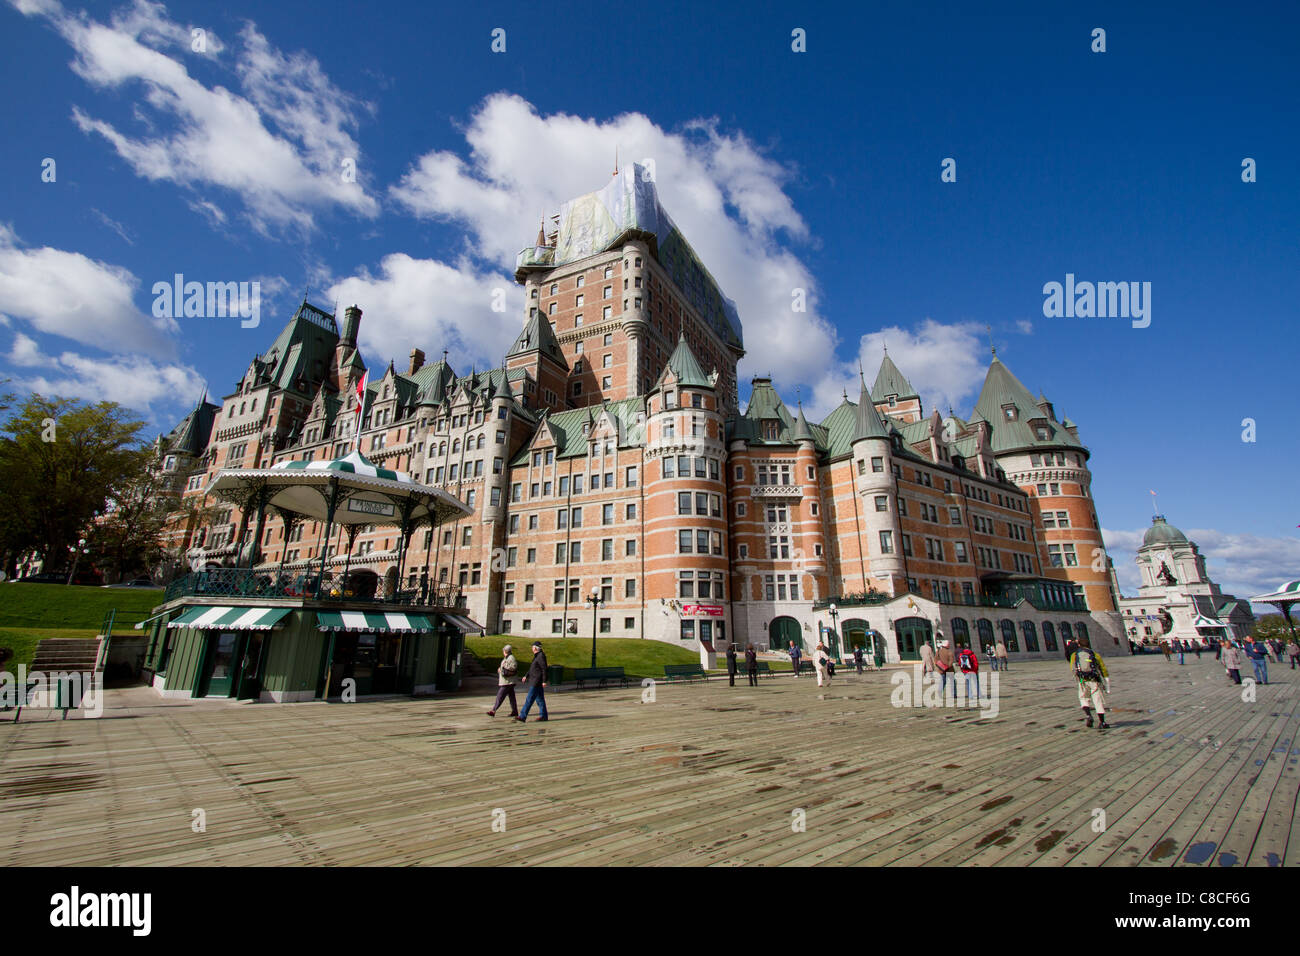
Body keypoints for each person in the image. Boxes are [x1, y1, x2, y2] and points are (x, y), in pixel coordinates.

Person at [1069, 637, 1110, 729]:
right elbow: (1103, 669)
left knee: (1083, 698)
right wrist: (1107, 683)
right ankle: (1102, 722)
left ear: (1079, 645)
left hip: (1082, 681)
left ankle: (1088, 715)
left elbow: (1072, 668)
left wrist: (1078, 678)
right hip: (1094, 680)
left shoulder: (1074, 655)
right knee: (1097, 700)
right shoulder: (1095, 654)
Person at [517, 641, 549, 722]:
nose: (532, 648)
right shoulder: (536, 656)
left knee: (529, 698)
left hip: (536, 681)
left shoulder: (541, 656)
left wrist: (544, 681)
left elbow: (544, 669)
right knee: (540, 699)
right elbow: (532, 668)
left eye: (532, 647)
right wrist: (526, 676)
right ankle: (543, 716)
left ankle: (522, 716)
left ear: (535, 648)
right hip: (535, 680)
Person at [487, 643, 519, 718]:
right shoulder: (508, 657)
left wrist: (501, 670)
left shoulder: (511, 658)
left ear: (505, 651)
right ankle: (515, 711)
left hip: (507, 682)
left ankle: (493, 710)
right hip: (509, 681)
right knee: (511, 696)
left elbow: (513, 667)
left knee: (500, 695)